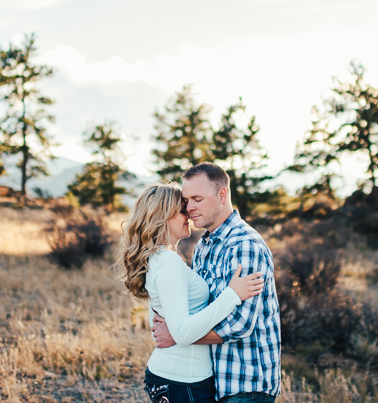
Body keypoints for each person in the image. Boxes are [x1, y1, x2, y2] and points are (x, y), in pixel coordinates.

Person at [116, 182, 265, 403]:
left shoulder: (160, 258)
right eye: (181, 209)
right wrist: (231, 295)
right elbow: (182, 333)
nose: (188, 214)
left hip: (177, 376)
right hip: (183, 380)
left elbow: (157, 322)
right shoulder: (168, 263)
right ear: (163, 215)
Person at [152, 163, 281, 402]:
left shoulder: (245, 244)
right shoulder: (204, 245)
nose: (189, 208)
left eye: (197, 199)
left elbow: (240, 323)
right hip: (213, 380)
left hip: (245, 383)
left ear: (222, 195)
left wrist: (178, 335)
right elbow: (200, 308)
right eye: (186, 200)